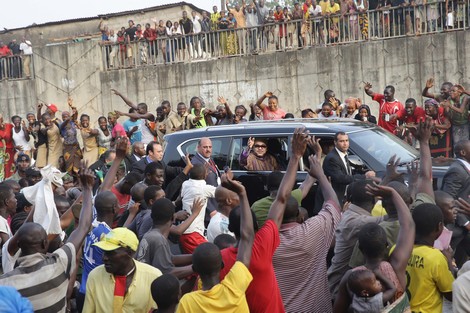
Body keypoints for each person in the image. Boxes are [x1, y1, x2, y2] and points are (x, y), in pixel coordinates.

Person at [218, 128, 309, 313]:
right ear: (256, 225)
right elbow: (281, 198)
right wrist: (296, 156)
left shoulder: (220, 258)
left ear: (229, 227)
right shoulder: (262, 246)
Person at [0, 161, 94, 312]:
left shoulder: (5, 283)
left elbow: (30, 227)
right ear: (45, 244)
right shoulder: (58, 265)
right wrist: (88, 189)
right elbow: (82, 227)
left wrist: (44, 193)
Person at [273, 137, 341, 312]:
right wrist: (320, 174)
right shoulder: (313, 230)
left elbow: (282, 198)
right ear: (299, 215)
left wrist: (298, 157)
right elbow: (333, 202)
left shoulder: (264, 243)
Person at [176, 168, 255, 313]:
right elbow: (247, 237)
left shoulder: (188, 301)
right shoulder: (235, 287)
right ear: (222, 265)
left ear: (196, 270)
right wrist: (242, 194)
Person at [83, 227, 162, 312]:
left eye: (111, 253)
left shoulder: (153, 277)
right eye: (104, 252)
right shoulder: (95, 276)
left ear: (130, 253)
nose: (104, 258)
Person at [76, 191, 119, 311]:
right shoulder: (108, 235)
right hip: (97, 295)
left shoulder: (91, 226)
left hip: (83, 290)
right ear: (114, 208)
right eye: (118, 204)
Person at [136, 198, 195, 278]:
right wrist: (195, 267)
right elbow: (166, 273)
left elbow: (171, 258)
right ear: (173, 218)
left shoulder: (151, 234)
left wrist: (195, 256)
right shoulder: (159, 240)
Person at [321, 132, 375, 205]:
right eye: (342, 141)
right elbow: (341, 178)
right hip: (334, 200)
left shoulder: (344, 154)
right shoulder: (332, 158)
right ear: (335, 142)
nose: (345, 143)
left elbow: (348, 172)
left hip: (343, 199)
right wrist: (364, 176)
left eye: (346, 140)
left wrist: (363, 172)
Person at [179, 164, 216, 253]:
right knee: (210, 257)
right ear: (204, 176)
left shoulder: (185, 184)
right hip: (193, 234)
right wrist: (227, 180)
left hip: (183, 231)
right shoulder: (204, 188)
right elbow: (221, 192)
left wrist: (203, 172)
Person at [191, 137, 221, 218]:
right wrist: (210, 209)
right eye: (205, 147)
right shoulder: (196, 164)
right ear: (198, 148)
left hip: (216, 204)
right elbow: (198, 190)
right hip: (208, 212)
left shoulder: (209, 159)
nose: (208, 150)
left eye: (210, 147)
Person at [60, 107, 82, 174]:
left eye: (67, 116)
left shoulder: (72, 122)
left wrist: (75, 110)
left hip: (75, 146)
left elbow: (75, 115)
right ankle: (70, 179)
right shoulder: (61, 125)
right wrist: (68, 119)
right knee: (68, 164)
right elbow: (65, 122)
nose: (65, 118)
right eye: (63, 117)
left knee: (77, 163)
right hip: (67, 148)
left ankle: (77, 179)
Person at [0, 114, 15, 180]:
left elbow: (13, 137)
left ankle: (12, 180)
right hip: (1, 151)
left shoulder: (9, 126)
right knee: (2, 168)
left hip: (11, 150)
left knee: (11, 167)